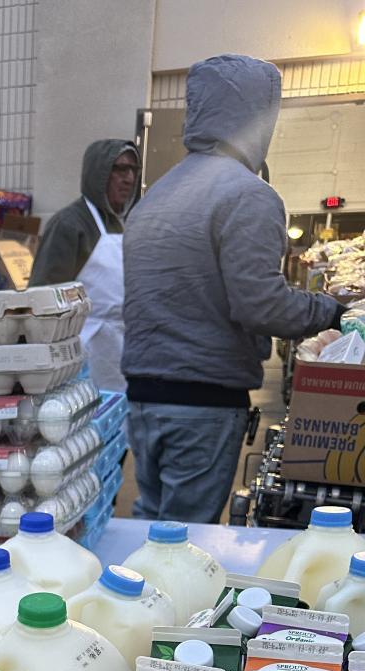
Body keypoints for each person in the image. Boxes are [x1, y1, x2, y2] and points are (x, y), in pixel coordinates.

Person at [123, 54, 344, 524]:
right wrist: (332, 312)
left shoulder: (156, 196)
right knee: (184, 536)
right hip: (203, 399)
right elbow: (262, 305)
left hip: (144, 397)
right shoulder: (247, 195)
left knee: (151, 524)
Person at [29, 140, 139, 391]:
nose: (129, 178)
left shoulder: (119, 224)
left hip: (116, 350)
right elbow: (41, 299)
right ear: (98, 174)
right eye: (120, 169)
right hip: (81, 351)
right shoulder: (69, 225)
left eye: (133, 170)